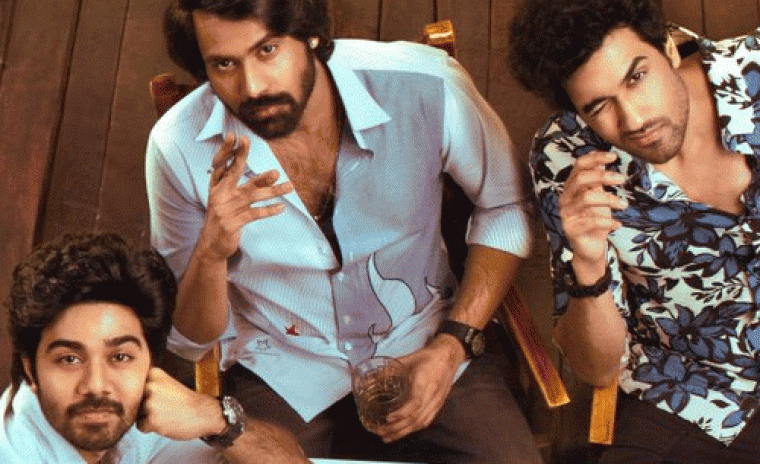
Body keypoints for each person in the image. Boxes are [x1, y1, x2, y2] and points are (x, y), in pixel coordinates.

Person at [145, 0, 540, 462]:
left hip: (427, 340)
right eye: (224, 64)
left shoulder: (427, 85)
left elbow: (506, 205)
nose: (252, 87)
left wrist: (454, 345)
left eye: (267, 50)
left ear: (310, 32)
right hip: (283, 368)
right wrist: (211, 253)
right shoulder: (177, 147)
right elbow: (192, 340)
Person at [508, 0, 760, 462]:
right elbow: (596, 368)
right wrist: (587, 262)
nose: (634, 120)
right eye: (598, 106)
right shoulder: (565, 156)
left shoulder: (752, 71)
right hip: (693, 395)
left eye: (636, 77)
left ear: (669, 46)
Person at [0, 232, 308, 464]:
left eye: (120, 357)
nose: (96, 385)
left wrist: (217, 420)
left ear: (151, 364)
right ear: (31, 370)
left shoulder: (140, 416)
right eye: (69, 359)